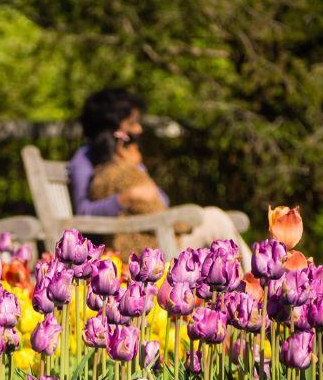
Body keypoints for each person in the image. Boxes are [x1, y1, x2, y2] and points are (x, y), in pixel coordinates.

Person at [68, 88, 251, 266]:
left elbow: (161, 200)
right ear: (113, 126)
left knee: (216, 221)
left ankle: (250, 284)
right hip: (136, 248)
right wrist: (124, 199)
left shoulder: (129, 159)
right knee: (215, 219)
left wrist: (138, 175)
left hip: (158, 233)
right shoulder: (84, 159)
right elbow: (83, 212)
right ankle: (255, 284)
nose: (138, 129)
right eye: (132, 123)